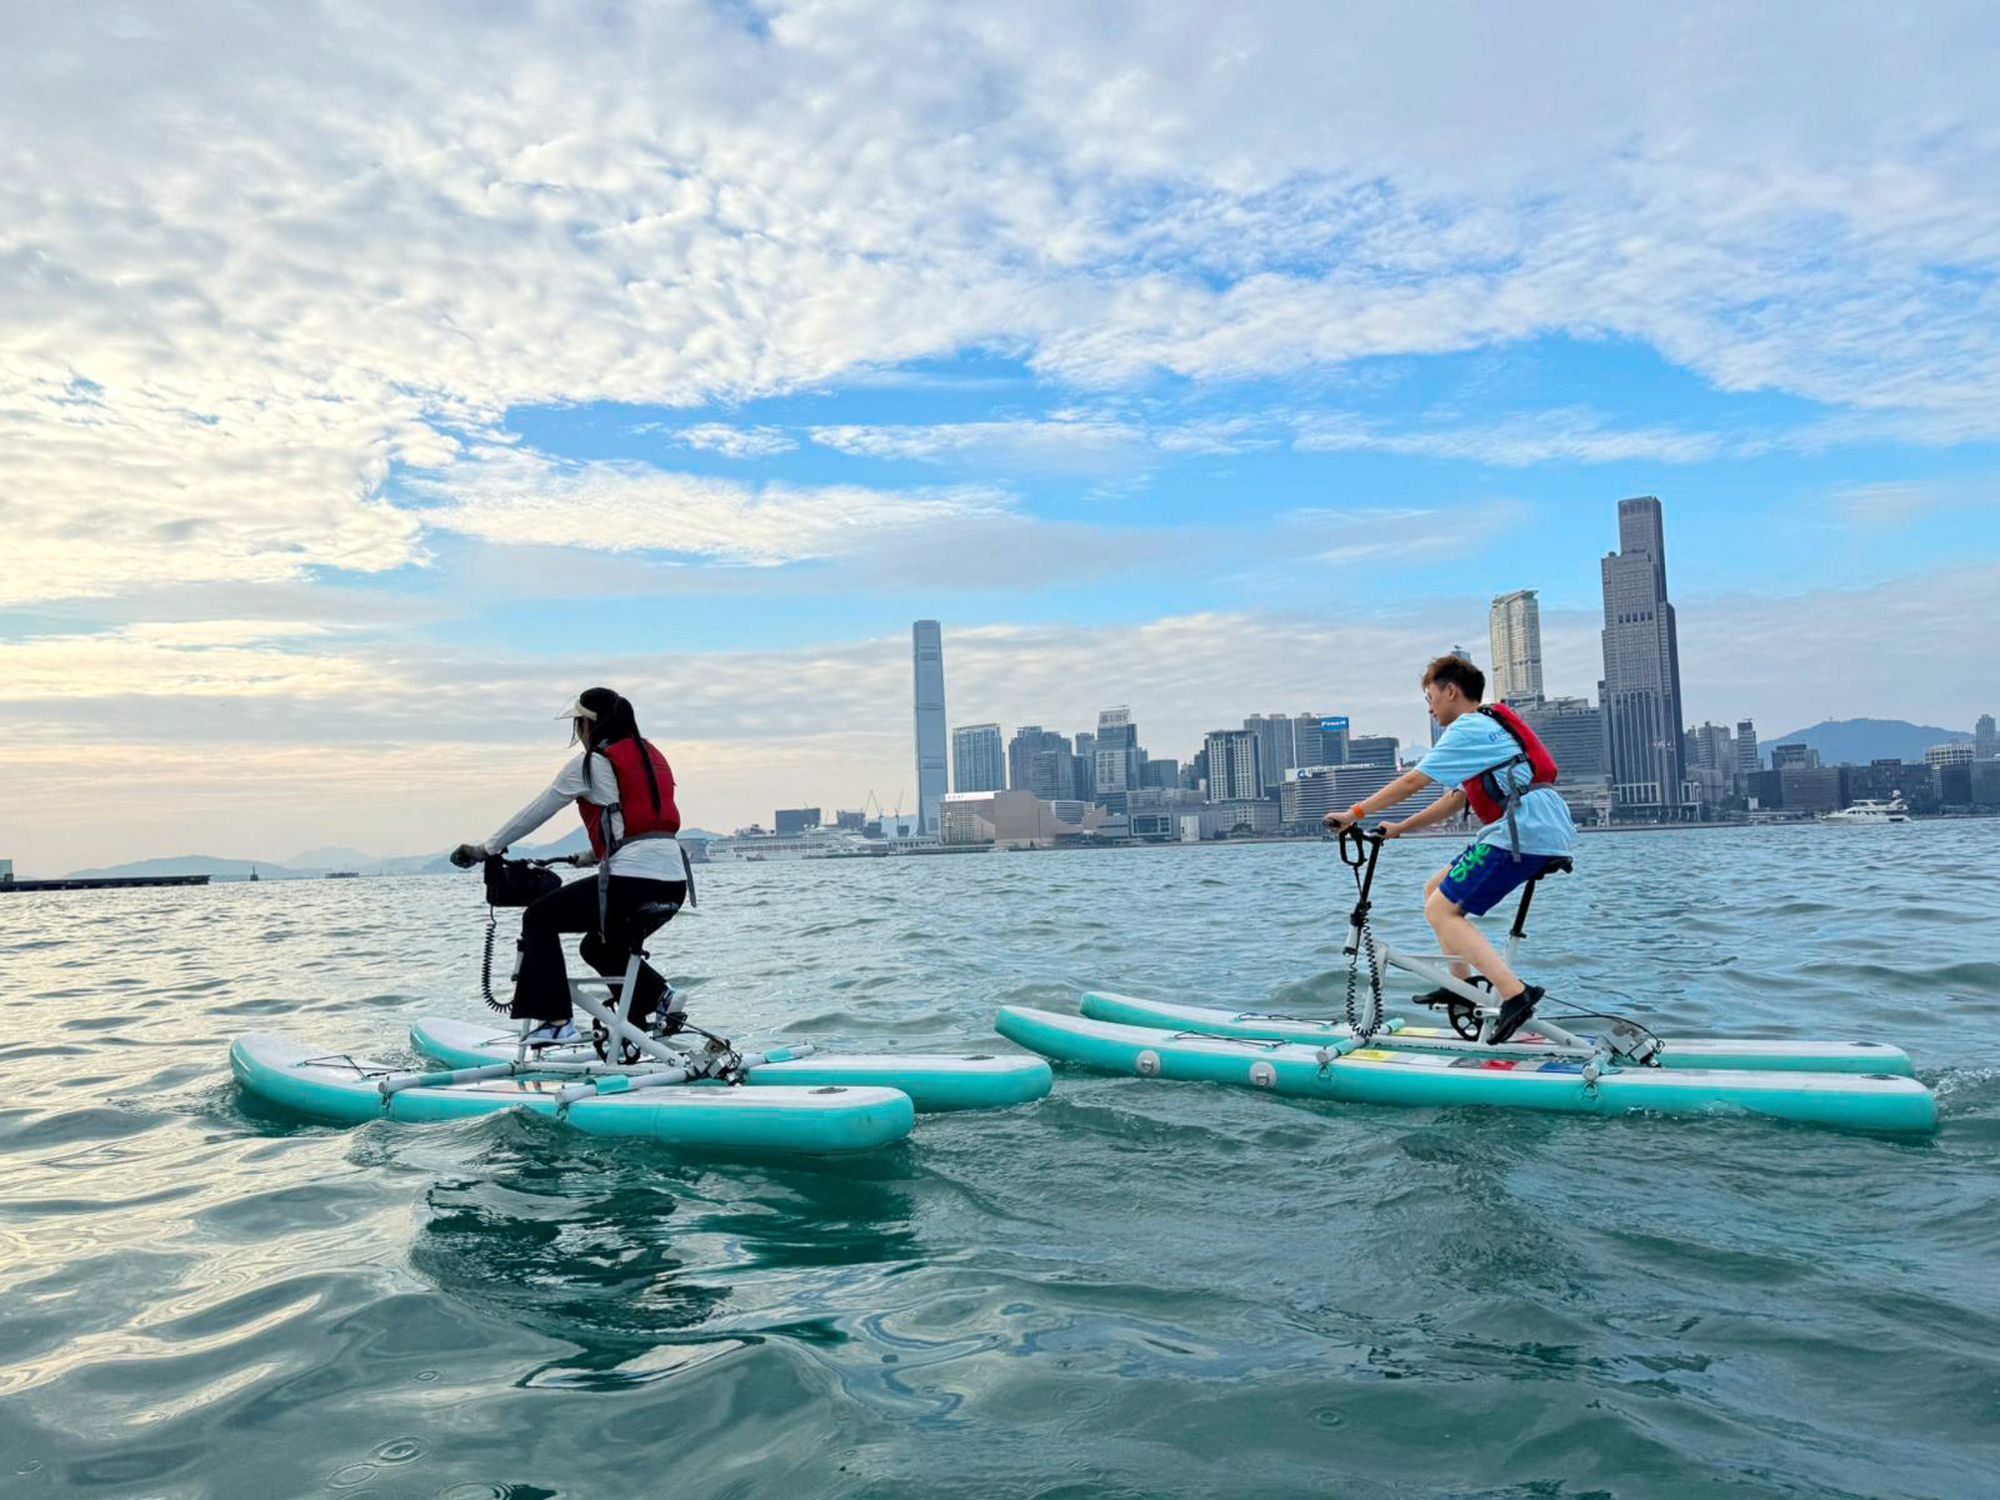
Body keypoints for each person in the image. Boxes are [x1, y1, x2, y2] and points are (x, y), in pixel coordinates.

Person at [1323, 654, 1576, 1044]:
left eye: (1430, 696)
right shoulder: (1490, 727)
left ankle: (1514, 993)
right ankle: (1462, 987)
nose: (1429, 706)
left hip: (1523, 830)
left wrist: (1353, 813)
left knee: (1441, 908)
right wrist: (1402, 828)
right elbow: (1457, 801)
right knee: (1434, 889)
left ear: (1451, 691)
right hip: (1536, 826)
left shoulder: (1468, 729)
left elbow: (1411, 782)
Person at [451, 688, 689, 1045]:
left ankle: (555, 1019)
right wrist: (589, 856)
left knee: (538, 918)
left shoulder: (591, 763)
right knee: (598, 948)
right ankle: (657, 999)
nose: (578, 734)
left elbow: (537, 810)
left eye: (578, 724)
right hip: (674, 883)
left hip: (632, 882)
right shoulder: (649, 756)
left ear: (587, 724)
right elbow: (640, 826)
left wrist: (487, 848)